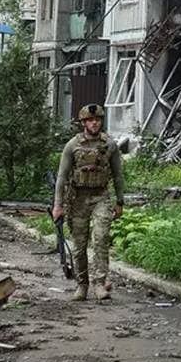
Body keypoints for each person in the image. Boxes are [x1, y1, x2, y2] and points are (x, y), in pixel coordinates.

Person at [51, 103, 124, 301]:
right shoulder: (73, 145)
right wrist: (58, 206)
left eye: (97, 119)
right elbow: (61, 176)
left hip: (101, 197)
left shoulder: (110, 145)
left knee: (101, 239)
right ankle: (82, 284)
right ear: (83, 122)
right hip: (78, 199)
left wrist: (120, 202)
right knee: (79, 245)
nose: (94, 123)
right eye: (90, 120)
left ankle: (100, 283)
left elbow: (118, 175)